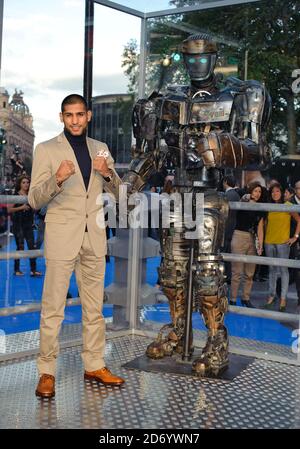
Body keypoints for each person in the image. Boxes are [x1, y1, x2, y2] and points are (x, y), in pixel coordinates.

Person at [123, 33, 271, 376]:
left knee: (207, 273)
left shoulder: (237, 94)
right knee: (172, 273)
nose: (195, 64)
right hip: (179, 194)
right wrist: (131, 181)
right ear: (183, 60)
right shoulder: (165, 101)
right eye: (189, 58)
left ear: (214, 59)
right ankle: (177, 331)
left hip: (210, 193)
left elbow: (259, 150)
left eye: (202, 58)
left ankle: (216, 339)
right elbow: (152, 155)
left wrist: (227, 146)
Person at [28, 94, 124, 399]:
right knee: (53, 308)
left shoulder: (101, 150)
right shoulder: (45, 150)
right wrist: (57, 179)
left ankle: (94, 364)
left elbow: (121, 194)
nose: (75, 120)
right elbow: (33, 199)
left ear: (89, 116)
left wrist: (106, 173)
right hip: (61, 237)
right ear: (61, 117)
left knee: (94, 309)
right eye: (69, 115)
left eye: (80, 114)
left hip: (94, 237)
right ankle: (47, 371)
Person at [263, 183, 300, 312]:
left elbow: (299, 220)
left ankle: (283, 298)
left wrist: (295, 237)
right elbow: (266, 224)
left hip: (283, 243)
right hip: (269, 242)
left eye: (277, 191)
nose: (275, 194)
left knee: (283, 271)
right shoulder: (269, 206)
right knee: (272, 270)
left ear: (282, 192)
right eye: (273, 192)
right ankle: (272, 296)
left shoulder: (288, 206)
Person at [230, 182, 265, 308]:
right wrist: (247, 196)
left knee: (250, 273)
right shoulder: (244, 200)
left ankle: (246, 298)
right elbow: (243, 198)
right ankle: (233, 299)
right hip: (239, 236)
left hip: (253, 238)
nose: (258, 194)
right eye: (255, 191)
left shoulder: (261, 207)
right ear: (250, 191)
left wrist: (260, 244)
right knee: (237, 272)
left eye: (260, 192)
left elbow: (260, 227)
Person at [7, 175, 42, 276]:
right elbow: (9, 209)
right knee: (20, 247)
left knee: (32, 247)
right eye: (24, 182)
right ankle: (17, 269)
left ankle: (33, 270)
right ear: (20, 184)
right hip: (18, 225)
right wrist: (21, 207)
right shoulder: (16, 195)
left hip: (28, 225)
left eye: (27, 182)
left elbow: (34, 208)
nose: (26, 184)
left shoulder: (30, 195)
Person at [222, 175, 240, 283]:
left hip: (226, 227)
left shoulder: (227, 195)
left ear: (225, 182)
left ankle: (226, 276)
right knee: (227, 253)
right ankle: (227, 276)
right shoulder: (236, 195)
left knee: (224, 252)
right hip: (232, 226)